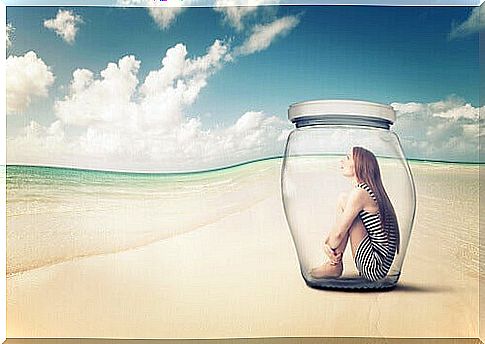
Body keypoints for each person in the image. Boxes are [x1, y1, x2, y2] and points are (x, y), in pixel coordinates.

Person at [310, 146, 400, 281]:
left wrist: (328, 247)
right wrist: (327, 243)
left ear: (359, 165)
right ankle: (333, 263)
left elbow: (340, 232)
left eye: (347, 158)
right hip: (380, 266)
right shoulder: (370, 190)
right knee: (344, 201)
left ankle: (334, 265)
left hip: (373, 268)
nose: (342, 161)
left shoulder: (361, 193)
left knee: (344, 201)